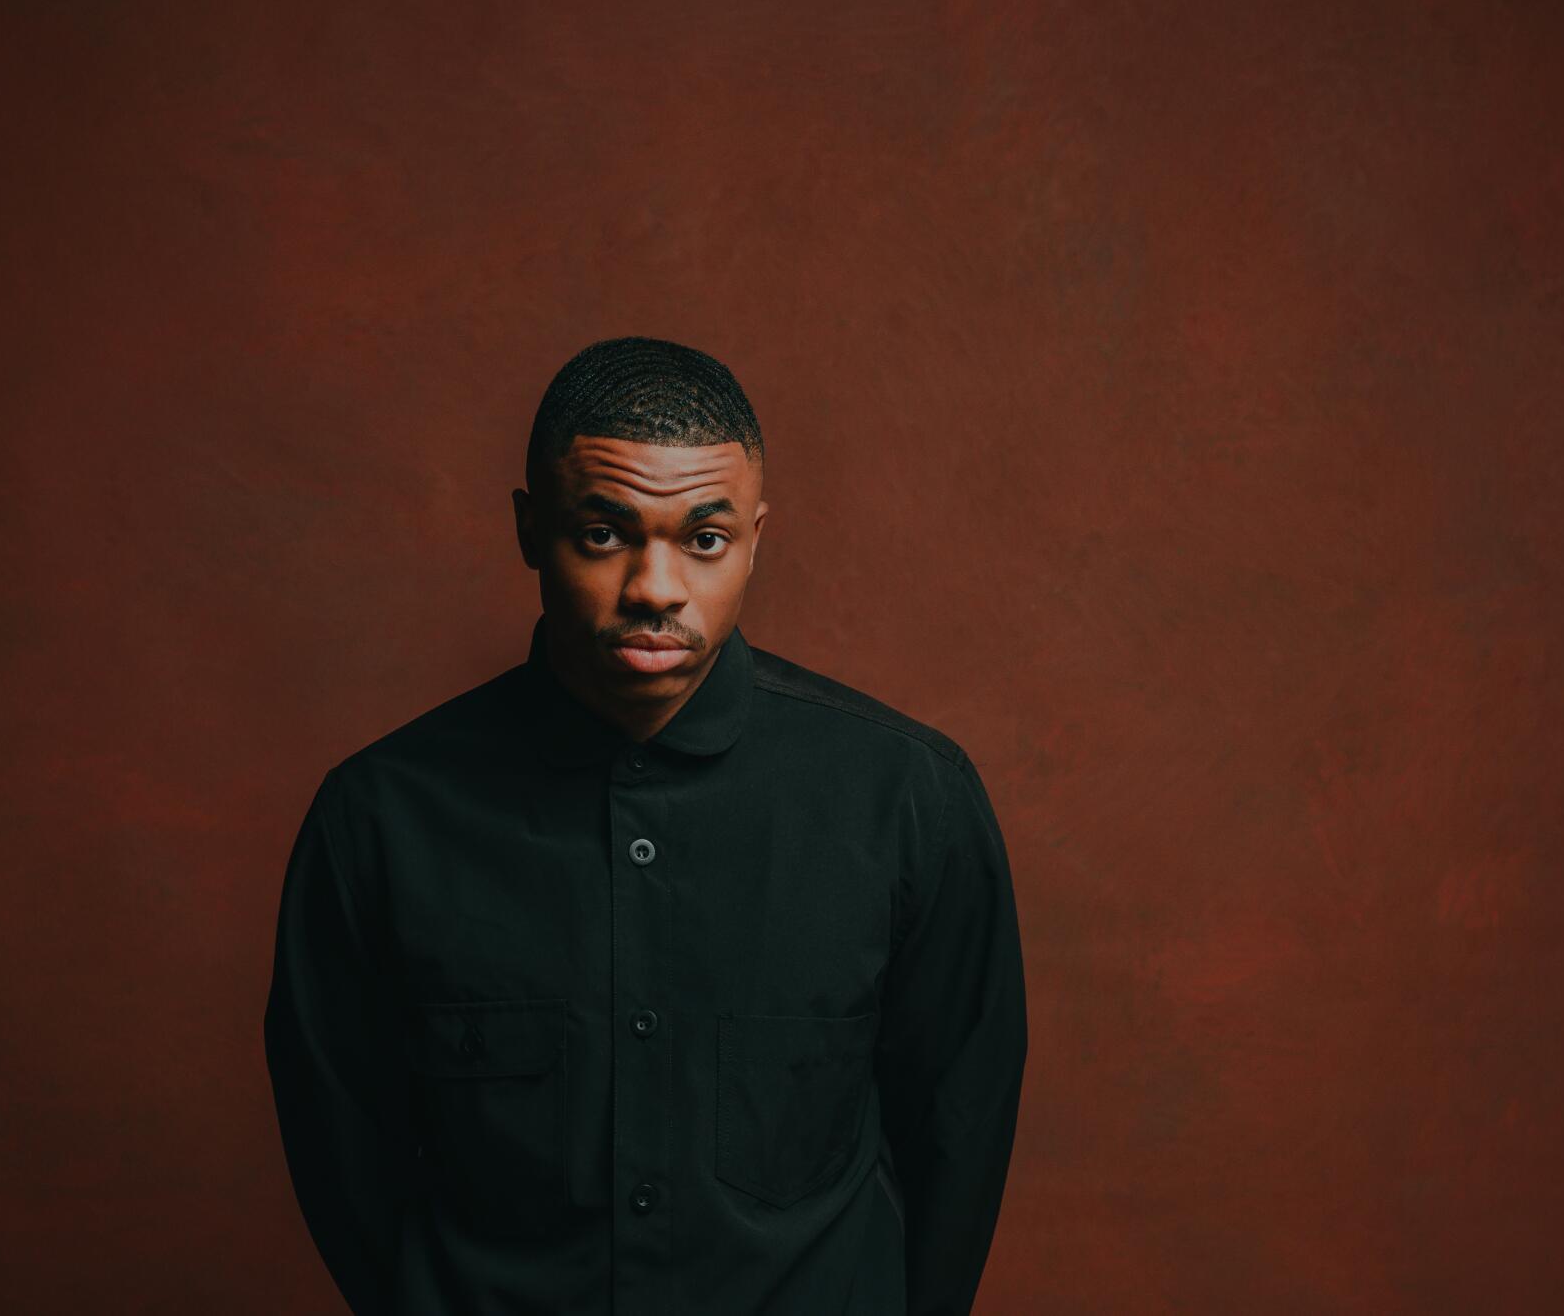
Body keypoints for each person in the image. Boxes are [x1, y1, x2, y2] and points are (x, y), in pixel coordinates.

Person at [264, 335, 1028, 1314]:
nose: (655, 589)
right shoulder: (376, 819)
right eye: (603, 533)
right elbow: (343, 1150)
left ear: (755, 536)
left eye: (702, 539)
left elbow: (954, 1133)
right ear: (529, 529)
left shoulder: (909, 798)